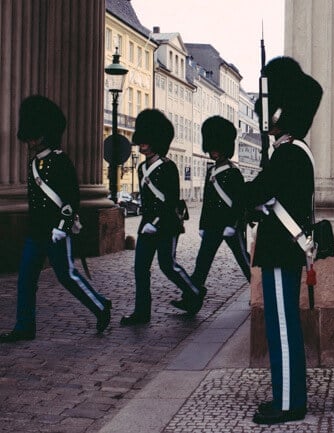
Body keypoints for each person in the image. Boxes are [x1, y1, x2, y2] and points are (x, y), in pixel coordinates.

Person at [246, 57, 323, 424]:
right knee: (282, 325)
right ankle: (285, 396)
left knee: (282, 327)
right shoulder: (292, 151)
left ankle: (290, 403)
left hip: (281, 249)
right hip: (285, 249)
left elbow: (260, 191)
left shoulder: (289, 153)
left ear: (280, 112)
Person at [0, 95, 112, 343]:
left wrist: (62, 227)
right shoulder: (34, 164)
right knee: (26, 278)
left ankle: (101, 306)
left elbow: (71, 199)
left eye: (34, 135)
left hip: (56, 231)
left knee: (67, 275)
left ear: (44, 134)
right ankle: (24, 326)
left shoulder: (61, 161)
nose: (30, 140)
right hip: (37, 231)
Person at [120, 109, 204, 326]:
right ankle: (142, 312)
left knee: (168, 265)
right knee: (140, 268)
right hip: (146, 225)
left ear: (156, 141)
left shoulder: (168, 167)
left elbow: (170, 201)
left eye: (146, 141)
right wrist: (146, 224)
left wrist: (155, 223)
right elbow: (147, 202)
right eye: (141, 141)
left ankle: (194, 292)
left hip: (166, 225)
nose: (142, 145)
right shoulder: (141, 168)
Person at [170, 116, 250, 314]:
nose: (213, 152)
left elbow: (240, 203)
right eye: (212, 148)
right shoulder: (211, 171)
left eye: (216, 148)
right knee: (201, 264)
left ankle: (261, 293)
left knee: (245, 261)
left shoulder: (233, 173)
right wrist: (203, 226)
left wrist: (233, 224)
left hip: (231, 226)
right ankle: (192, 300)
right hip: (214, 225)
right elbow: (208, 203)